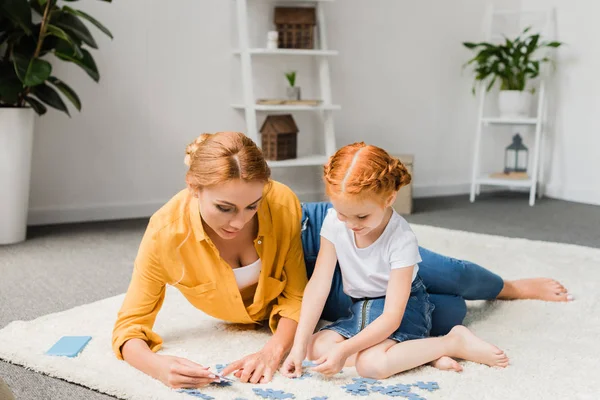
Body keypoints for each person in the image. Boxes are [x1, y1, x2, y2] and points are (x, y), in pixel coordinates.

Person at [112, 132, 571, 388]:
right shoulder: (164, 237)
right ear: (195, 188)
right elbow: (129, 326)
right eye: (224, 208)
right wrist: (157, 368)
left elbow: (295, 289)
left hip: (316, 239)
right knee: (444, 311)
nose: (240, 221)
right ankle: (436, 342)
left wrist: (277, 350)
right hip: (324, 276)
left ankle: (508, 287)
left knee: (443, 274)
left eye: (252, 205)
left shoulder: (281, 202)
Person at [281, 143, 508, 379]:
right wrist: (298, 346)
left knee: (371, 366)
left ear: (389, 199)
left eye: (361, 216)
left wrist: (344, 350)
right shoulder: (334, 222)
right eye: (342, 214)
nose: (351, 225)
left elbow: (391, 316)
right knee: (314, 348)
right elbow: (319, 283)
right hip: (363, 305)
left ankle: (452, 343)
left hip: (403, 307)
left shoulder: (401, 239)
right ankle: (417, 355)